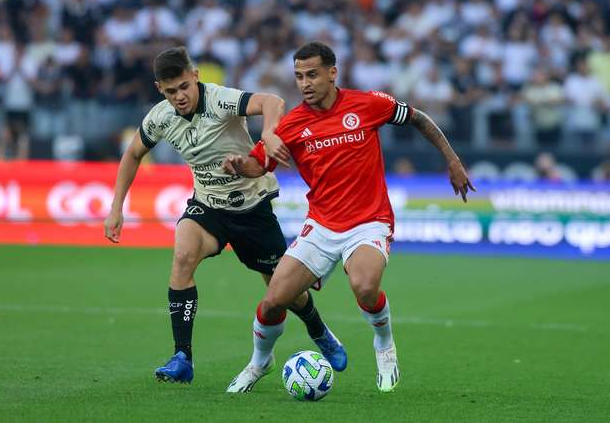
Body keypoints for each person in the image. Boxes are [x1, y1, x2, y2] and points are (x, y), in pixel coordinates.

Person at [222, 42, 474, 393]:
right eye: (298, 76)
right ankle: (259, 362)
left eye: (312, 74)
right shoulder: (291, 125)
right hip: (322, 225)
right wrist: (238, 165)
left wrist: (452, 159)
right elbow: (256, 164)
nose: (305, 83)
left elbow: (419, 118)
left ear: (332, 73)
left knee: (365, 286)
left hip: (369, 220)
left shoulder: (368, 104)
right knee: (273, 299)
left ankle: (384, 343)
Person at [103, 46, 346, 385]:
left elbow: (272, 102)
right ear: (160, 89)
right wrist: (116, 208)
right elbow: (132, 155)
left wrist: (269, 132)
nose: (180, 96)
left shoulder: (220, 99)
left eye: (184, 87)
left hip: (252, 207)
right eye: (171, 91)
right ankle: (182, 357)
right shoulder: (160, 116)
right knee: (183, 255)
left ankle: (319, 330)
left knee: (282, 292)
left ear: (195, 77)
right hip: (208, 207)